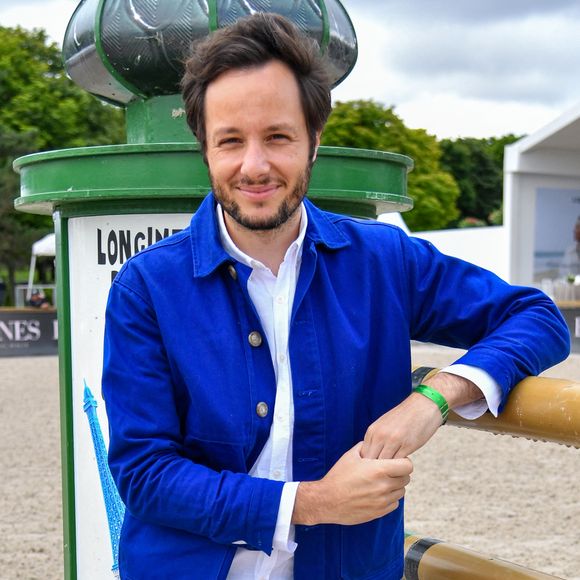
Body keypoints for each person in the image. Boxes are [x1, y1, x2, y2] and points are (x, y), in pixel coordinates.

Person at [102, 13, 569, 580]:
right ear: (205, 148)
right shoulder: (146, 287)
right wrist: (315, 503)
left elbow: (537, 316)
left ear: (314, 141)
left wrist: (436, 399)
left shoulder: (385, 260)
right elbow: (146, 473)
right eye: (230, 141)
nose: (254, 165)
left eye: (277, 136)